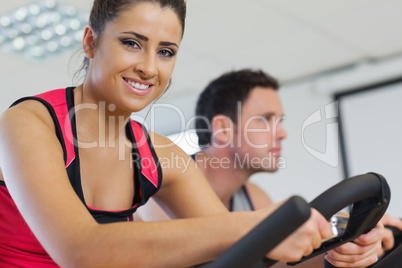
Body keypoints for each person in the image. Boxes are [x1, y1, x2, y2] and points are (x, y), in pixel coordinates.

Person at [0, 1, 340, 267]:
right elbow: (80, 252)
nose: (149, 67)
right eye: (132, 43)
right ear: (90, 41)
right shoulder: (28, 124)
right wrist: (252, 224)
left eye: (165, 52)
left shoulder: (163, 157)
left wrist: (337, 242)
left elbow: (244, 254)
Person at [136, 69, 402, 267]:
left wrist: (347, 242)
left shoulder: (253, 197)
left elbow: (277, 264)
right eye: (266, 120)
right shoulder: (160, 195)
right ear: (222, 129)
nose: (282, 133)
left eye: (280, 121)